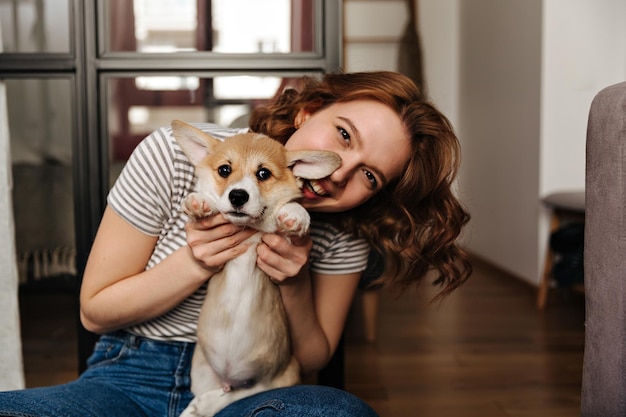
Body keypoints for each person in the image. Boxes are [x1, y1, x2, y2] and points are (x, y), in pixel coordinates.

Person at [0, 71, 471, 417]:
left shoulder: (348, 228)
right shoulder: (178, 156)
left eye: (369, 175)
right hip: (129, 376)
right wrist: (195, 260)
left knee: (337, 414)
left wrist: (294, 279)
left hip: (257, 389)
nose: (339, 172)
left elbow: (312, 358)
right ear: (309, 111)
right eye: (343, 136)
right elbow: (94, 311)